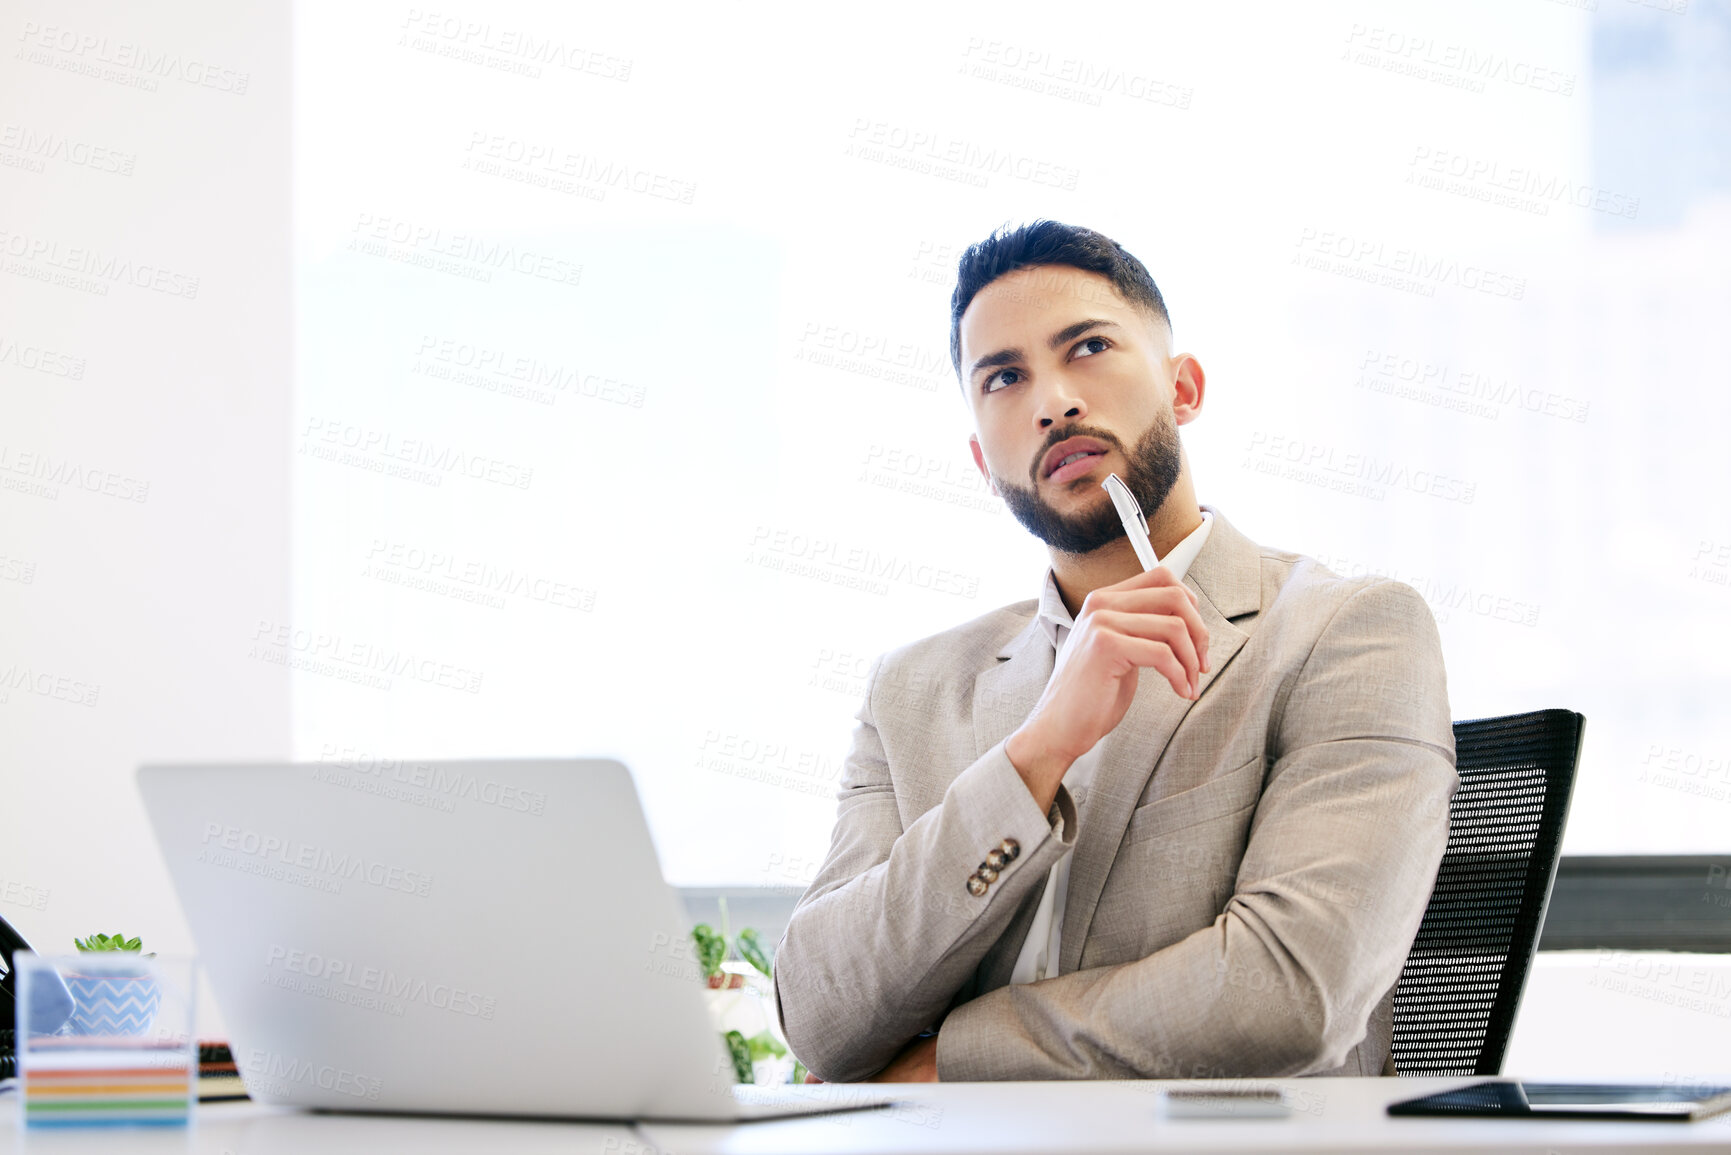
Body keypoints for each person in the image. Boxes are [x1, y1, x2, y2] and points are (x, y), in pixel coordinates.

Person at [772, 221, 1456, 1083]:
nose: (1053, 400)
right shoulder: (910, 689)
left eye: (1087, 347)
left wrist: (954, 1061)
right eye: (1005, 377)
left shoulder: (1346, 631)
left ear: (1184, 388)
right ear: (984, 461)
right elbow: (820, 1018)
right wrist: (1035, 753)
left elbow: (1287, 993)